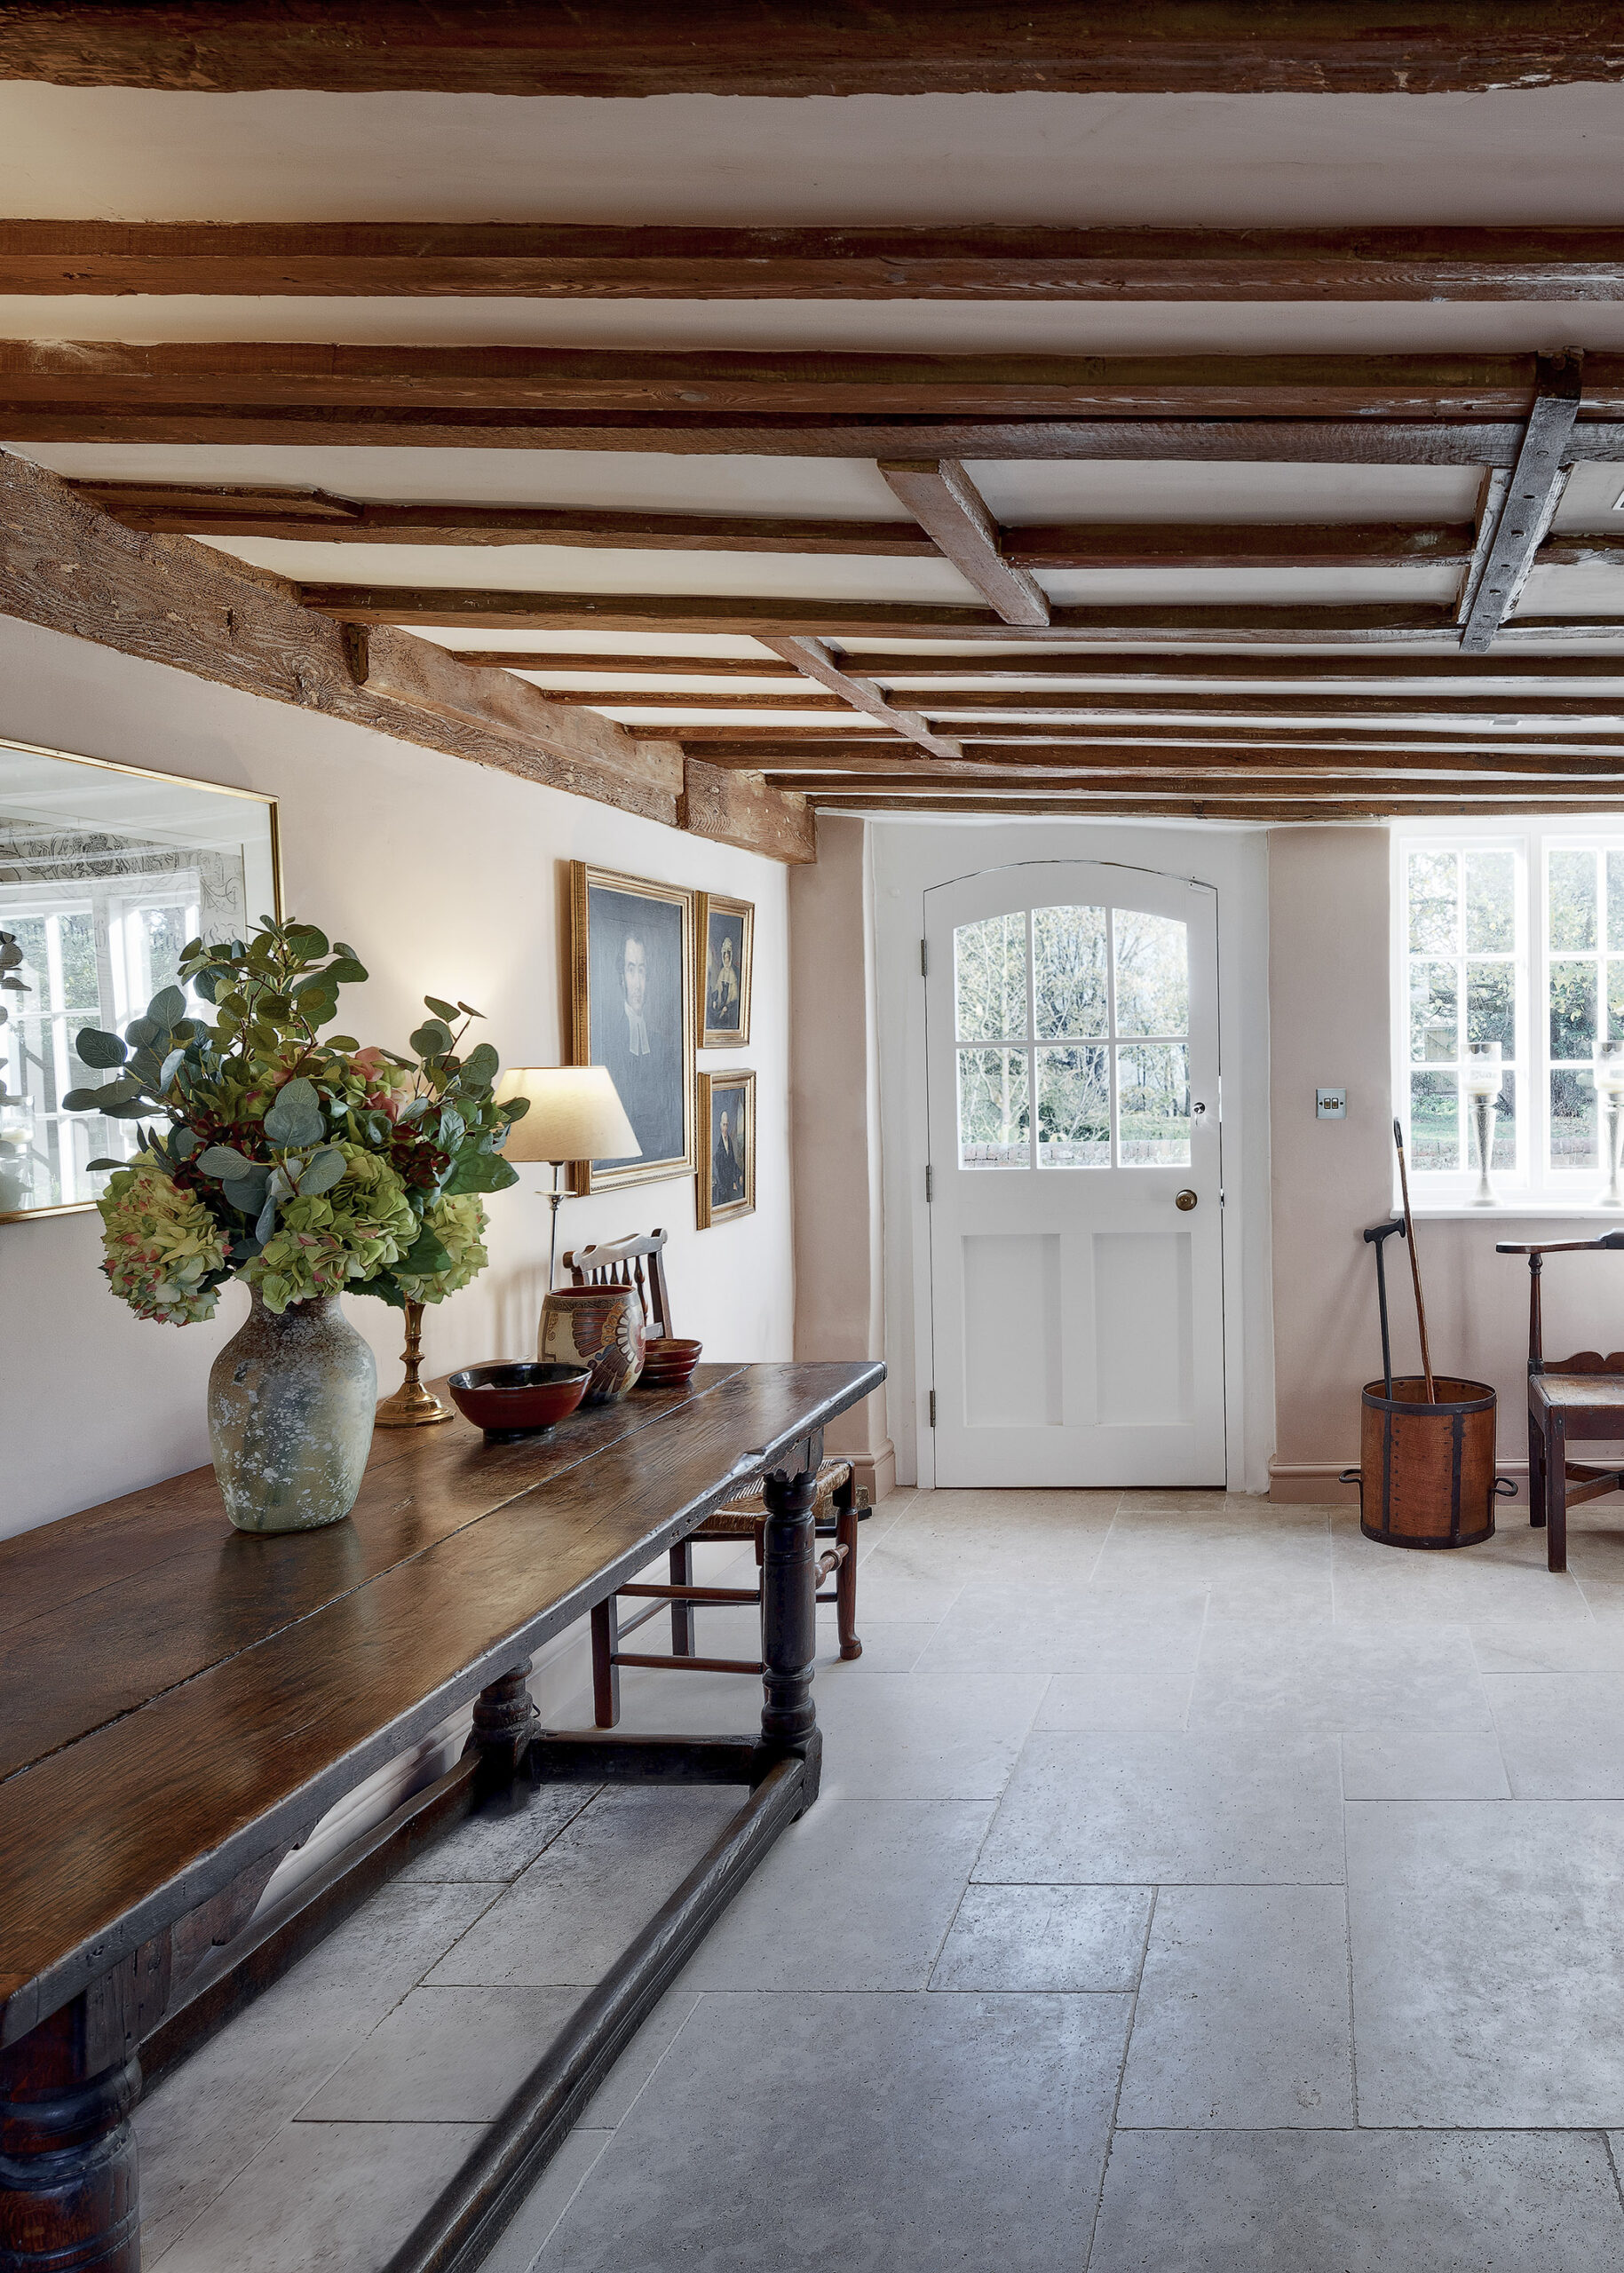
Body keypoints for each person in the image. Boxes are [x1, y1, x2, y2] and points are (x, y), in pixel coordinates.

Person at [708, 930, 741, 1029]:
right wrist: (714, 1000)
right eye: (724, 957)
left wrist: (727, 1006)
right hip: (720, 1002)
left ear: (730, 958)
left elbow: (735, 997)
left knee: (725, 1017)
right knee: (712, 1013)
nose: (726, 960)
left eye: (727, 958)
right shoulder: (721, 972)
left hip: (729, 1006)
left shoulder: (733, 973)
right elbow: (717, 988)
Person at [713, 1105, 744, 1207]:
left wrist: (739, 1174)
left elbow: (732, 1162)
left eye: (727, 1125)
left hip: (730, 1184)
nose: (725, 1128)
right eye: (723, 1125)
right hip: (721, 1187)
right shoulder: (716, 1143)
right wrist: (722, 1187)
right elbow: (716, 1168)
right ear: (720, 1125)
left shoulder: (729, 1141)